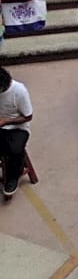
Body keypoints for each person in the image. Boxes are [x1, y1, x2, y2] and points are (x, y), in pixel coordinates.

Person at [0, 66, 33, 196]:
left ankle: (13, 177)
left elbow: (28, 116)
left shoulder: (19, 91)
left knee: (14, 149)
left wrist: (5, 122)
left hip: (17, 127)